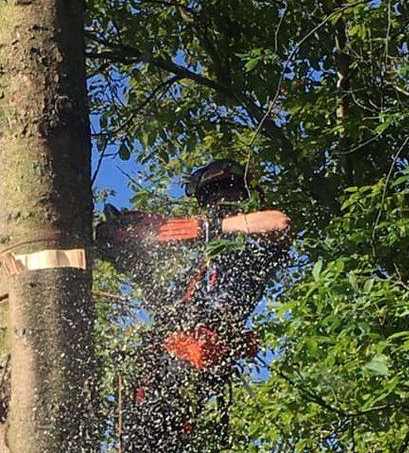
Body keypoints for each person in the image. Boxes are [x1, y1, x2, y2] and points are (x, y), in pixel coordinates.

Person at [96, 158, 290, 374]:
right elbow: (167, 307)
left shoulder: (252, 246)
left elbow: (280, 223)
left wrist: (205, 228)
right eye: (213, 199)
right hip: (178, 349)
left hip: (209, 339)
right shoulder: (202, 263)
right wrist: (139, 270)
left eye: (226, 195)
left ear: (240, 197)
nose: (219, 204)